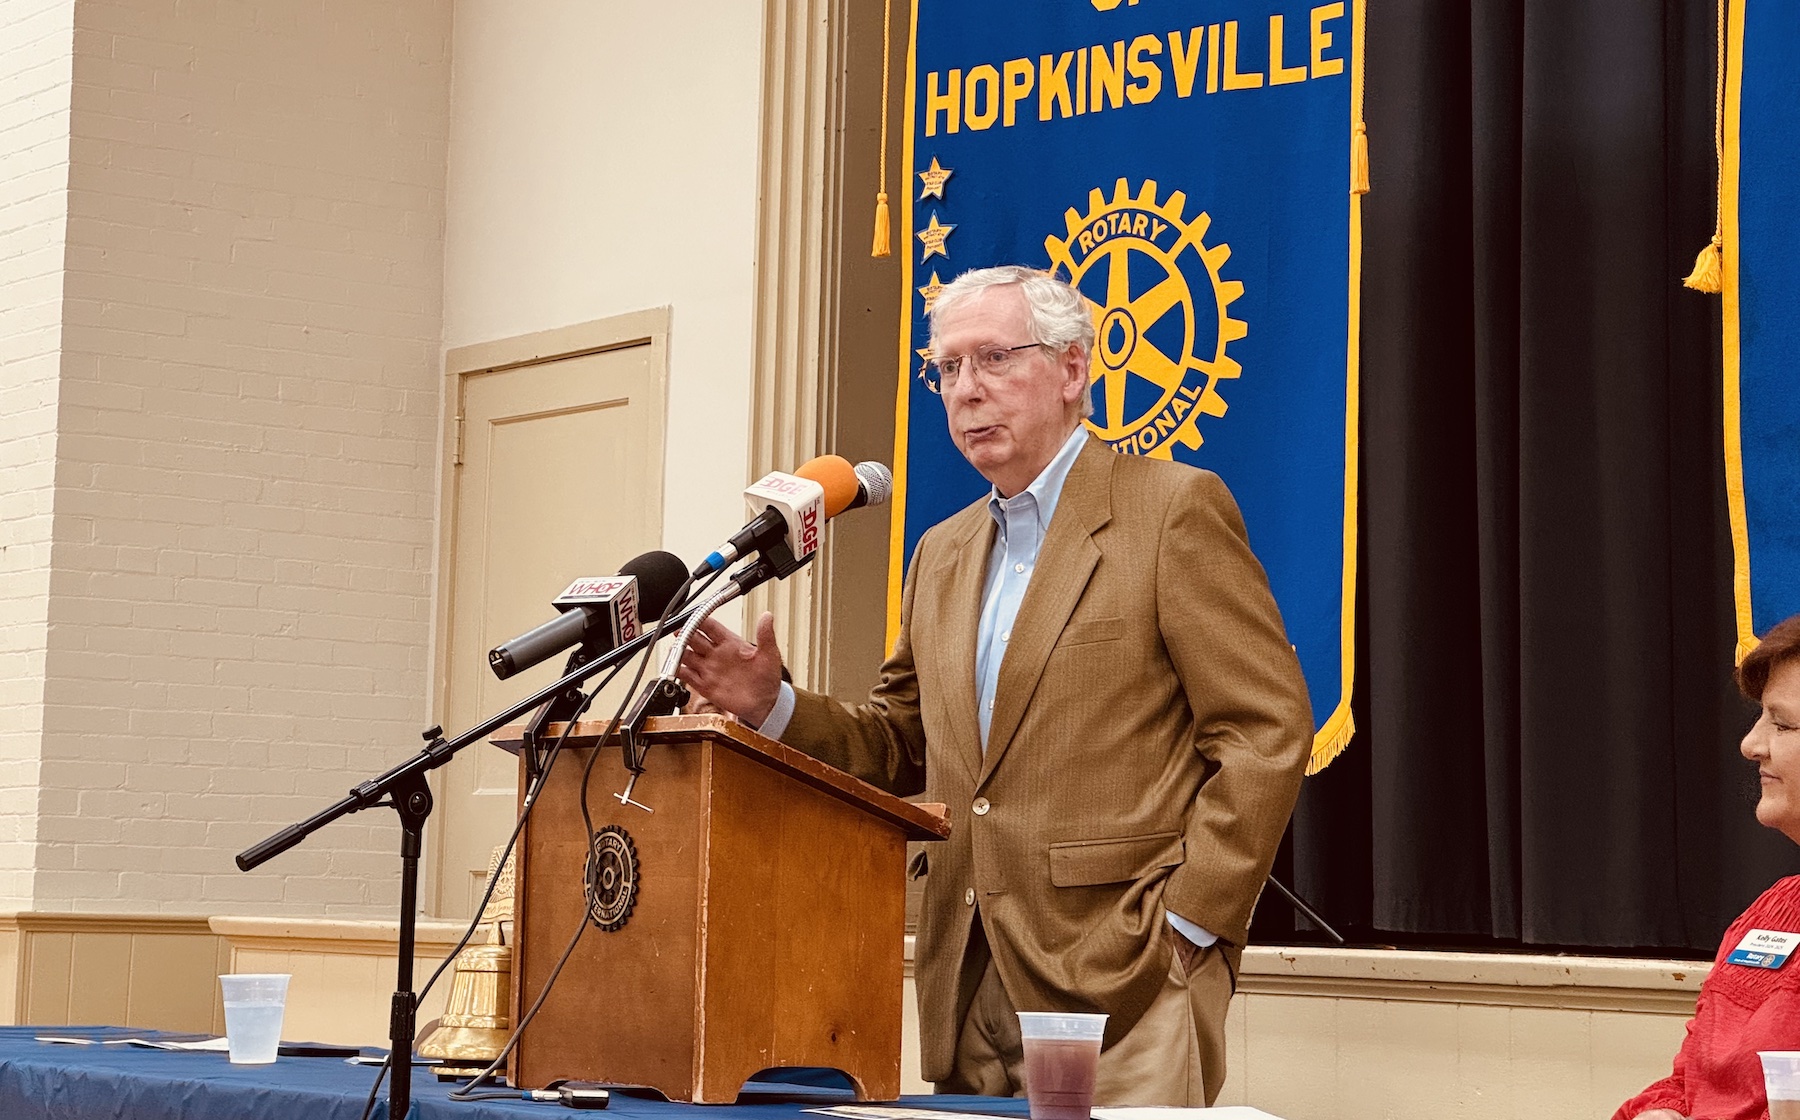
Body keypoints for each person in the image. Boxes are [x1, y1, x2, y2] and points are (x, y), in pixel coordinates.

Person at [676, 265, 1312, 1105]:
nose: (966, 391)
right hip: (966, 977)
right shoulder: (941, 551)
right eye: (947, 369)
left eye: (994, 360)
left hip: (1128, 979)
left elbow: (1265, 728)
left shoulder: (1171, 510)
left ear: (1074, 370)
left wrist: (1192, 920)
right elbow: (906, 748)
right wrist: (771, 706)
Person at [1616, 612, 1800, 1120]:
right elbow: (1690, 1080)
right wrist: (1663, 1112)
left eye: (1781, 723)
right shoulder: (1773, 912)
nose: (1750, 744)